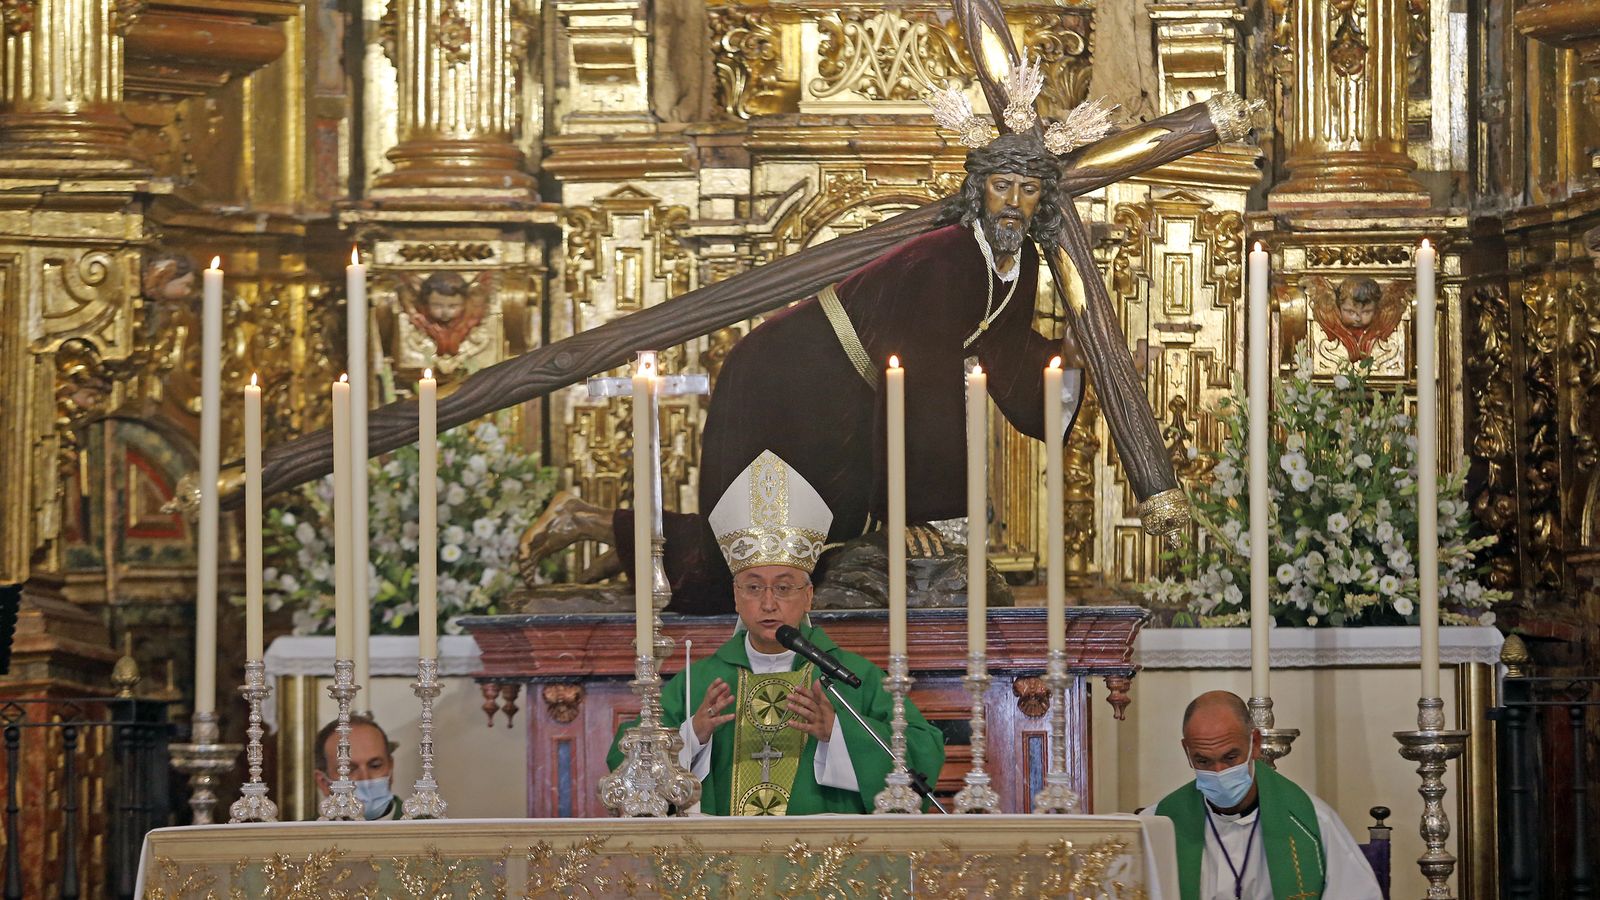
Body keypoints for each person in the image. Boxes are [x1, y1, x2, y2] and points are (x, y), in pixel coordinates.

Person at [524, 131, 1083, 613]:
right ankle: (594, 524)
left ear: (1043, 200)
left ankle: (607, 534)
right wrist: (923, 513)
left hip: (846, 390)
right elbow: (923, 381)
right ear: (978, 190)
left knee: (810, 543)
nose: (1013, 202)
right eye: (1001, 186)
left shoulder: (1018, 259)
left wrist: (1069, 361)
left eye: (1028, 189)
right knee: (766, 550)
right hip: (787, 381)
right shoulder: (947, 256)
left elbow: (1004, 352)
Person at [606, 450, 946, 814]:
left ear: (809, 596)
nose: (768, 604)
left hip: (827, 860)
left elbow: (924, 751)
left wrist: (839, 732)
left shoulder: (852, 678)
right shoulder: (700, 683)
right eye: (754, 588)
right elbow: (624, 771)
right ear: (736, 597)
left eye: (784, 588)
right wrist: (691, 736)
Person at [1152, 691, 1381, 900]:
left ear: (1255, 744)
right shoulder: (1160, 823)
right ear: (1187, 751)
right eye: (1203, 761)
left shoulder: (1312, 823)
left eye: (1230, 758)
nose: (1219, 772)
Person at [313, 714, 402, 820]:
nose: (365, 778)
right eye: (348, 770)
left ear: (390, 768)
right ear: (323, 783)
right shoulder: (301, 835)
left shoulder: (424, 825)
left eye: (375, 766)